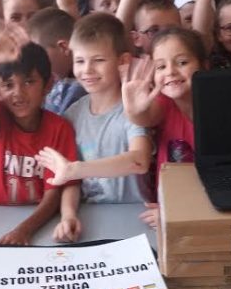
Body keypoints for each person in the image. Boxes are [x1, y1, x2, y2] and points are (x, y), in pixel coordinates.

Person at [0, 25, 81, 245]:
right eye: (8, 85)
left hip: (41, 222)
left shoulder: (59, 128)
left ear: (48, 85)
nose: (18, 93)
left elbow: (53, 195)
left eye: (29, 82)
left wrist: (24, 230)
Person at [35, 13, 152, 204]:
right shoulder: (72, 114)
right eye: (80, 61)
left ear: (123, 61)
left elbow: (139, 161)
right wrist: (69, 213)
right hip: (89, 213)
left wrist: (75, 169)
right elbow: (67, 179)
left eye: (98, 60)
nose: (87, 69)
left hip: (134, 213)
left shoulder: (133, 110)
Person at [122, 28, 207, 227]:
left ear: (204, 65)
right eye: (161, 66)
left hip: (205, 210)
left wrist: (178, 212)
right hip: (168, 210)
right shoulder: (164, 103)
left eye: (182, 62)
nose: (170, 71)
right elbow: (144, 117)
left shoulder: (218, 107)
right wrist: (133, 110)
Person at [27, 8, 86, 115]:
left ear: (63, 47)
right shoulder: (51, 85)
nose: (34, 62)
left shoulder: (78, 89)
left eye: (38, 54)